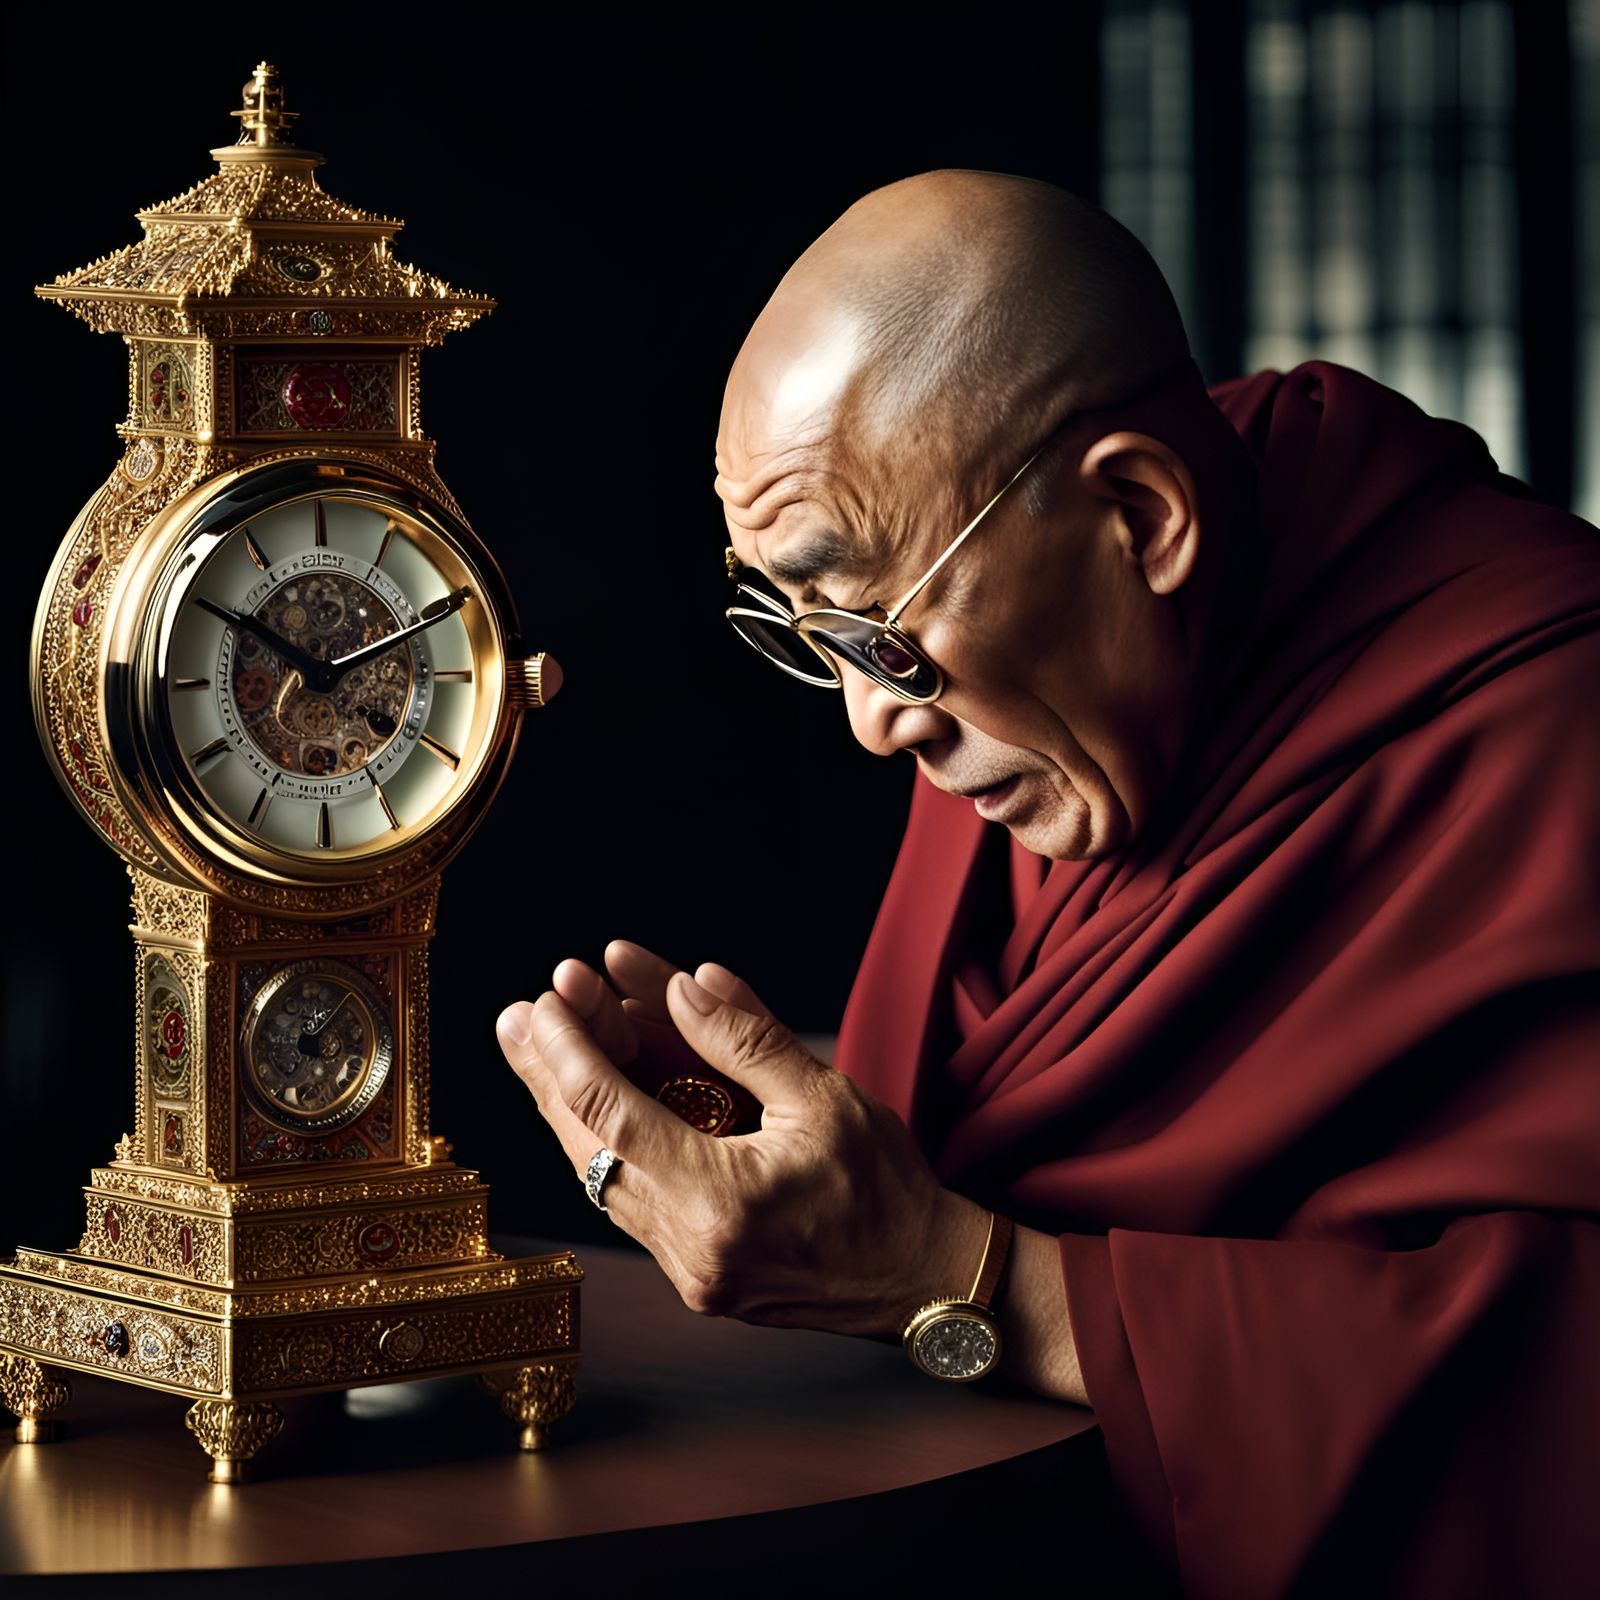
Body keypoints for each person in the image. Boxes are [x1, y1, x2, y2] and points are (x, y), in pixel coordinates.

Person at [495, 171, 1599, 1597]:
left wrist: (953, 1275)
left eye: (883, 636)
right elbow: (1044, 1105)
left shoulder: (1544, 721)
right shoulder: (1072, 704)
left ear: (1140, 515)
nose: (873, 722)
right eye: (816, 638)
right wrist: (769, 1130)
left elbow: (1558, 1397)